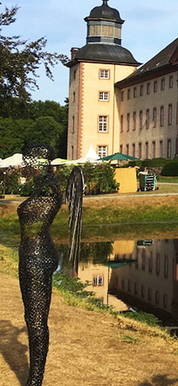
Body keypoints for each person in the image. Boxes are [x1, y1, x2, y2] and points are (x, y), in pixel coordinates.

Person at [17, 146, 61, 386]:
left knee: (36, 321)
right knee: (31, 317)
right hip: (30, 254)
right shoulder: (42, 187)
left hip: (37, 256)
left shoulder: (48, 189)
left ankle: (35, 380)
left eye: (29, 162)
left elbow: (37, 222)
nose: (27, 166)